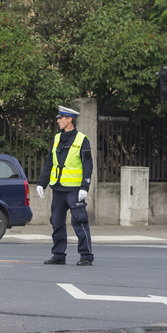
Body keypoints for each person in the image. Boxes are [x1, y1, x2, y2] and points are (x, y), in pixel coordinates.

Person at [37, 105, 94, 266]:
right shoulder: (56, 138)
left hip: (74, 189)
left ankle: (86, 255)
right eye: (58, 118)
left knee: (80, 221)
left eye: (60, 118)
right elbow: (50, 163)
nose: (58, 120)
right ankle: (58, 254)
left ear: (70, 120)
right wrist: (42, 183)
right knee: (56, 222)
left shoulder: (82, 139)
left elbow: (88, 165)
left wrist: (85, 187)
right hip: (58, 189)